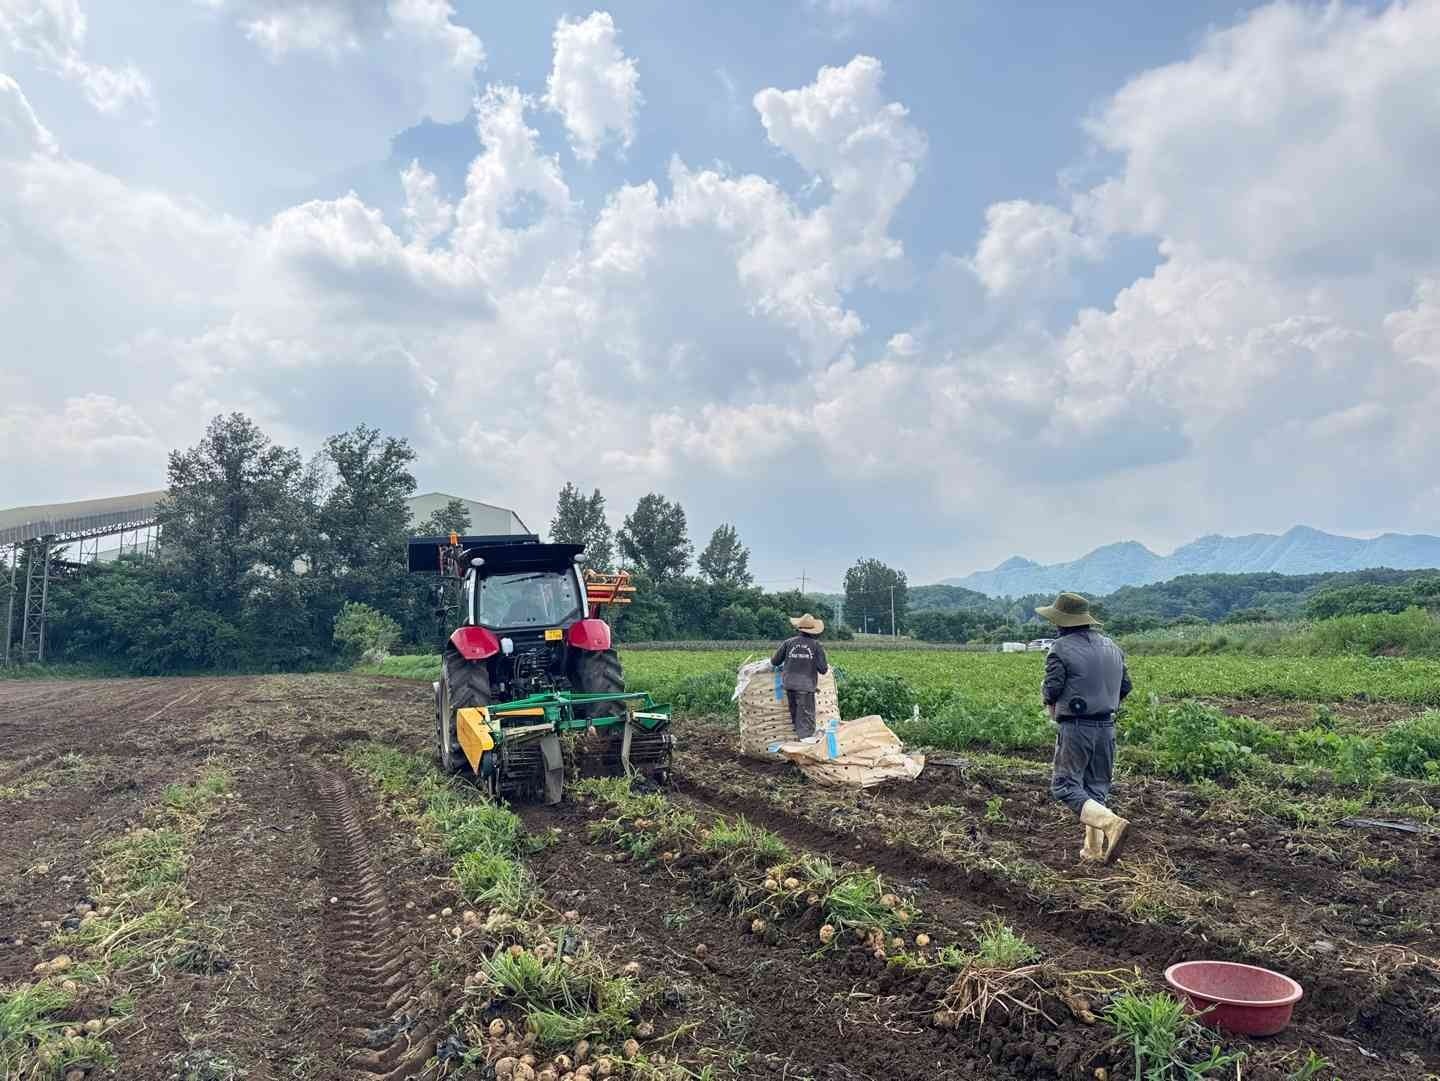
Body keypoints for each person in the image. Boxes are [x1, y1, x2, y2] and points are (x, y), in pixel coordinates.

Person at [1036, 592, 1133, 864]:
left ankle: (1111, 823)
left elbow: (1053, 688)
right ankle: (1093, 851)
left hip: (1077, 727)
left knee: (1065, 787)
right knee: (1096, 789)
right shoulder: (1113, 647)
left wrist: (1048, 699)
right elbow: (1126, 687)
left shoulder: (1060, 648)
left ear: (1061, 622)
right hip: (1107, 727)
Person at [771, 614, 829, 739]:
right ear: (813, 631)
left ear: (798, 629)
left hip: (789, 686)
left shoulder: (788, 643)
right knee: (806, 722)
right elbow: (823, 669)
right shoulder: (816, 645)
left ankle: (796, 748)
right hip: (805, 688)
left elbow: (774, 661)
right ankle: (804, 750)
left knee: (795, 718)